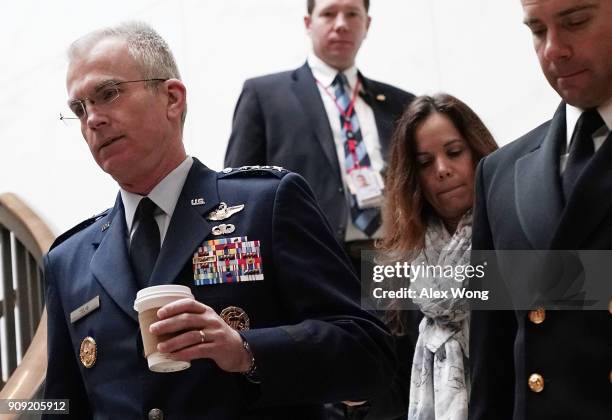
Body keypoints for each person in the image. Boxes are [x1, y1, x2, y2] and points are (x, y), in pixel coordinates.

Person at [42, 21, 396, 419]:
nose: (92, 119)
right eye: (79, 108)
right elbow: (58, 404)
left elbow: (369, 357)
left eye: (108, 94)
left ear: (172, 98)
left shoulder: (267, 205)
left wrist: (246, 350)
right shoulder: (68, 260)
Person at [469, 1, 612, 419]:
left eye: (575, 21)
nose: (553, 49)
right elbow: (492, 360)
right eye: (537, 30)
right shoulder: (499, 172)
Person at [224, 0, 415, 270]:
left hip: (392, 261)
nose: (341, 24)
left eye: (352, 14)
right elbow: (237, 191)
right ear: (308, 23)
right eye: (328, 14)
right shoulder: (265, 96)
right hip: (307, 263)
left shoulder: (400, 103)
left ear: (367, 24)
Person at [366, 94, 497, 420]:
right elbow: (388, 389)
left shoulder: (515, 234)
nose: (442, 170)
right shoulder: (394, 266)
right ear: (413, 178)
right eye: (425, 163)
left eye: (454, 153)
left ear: (477, 151)